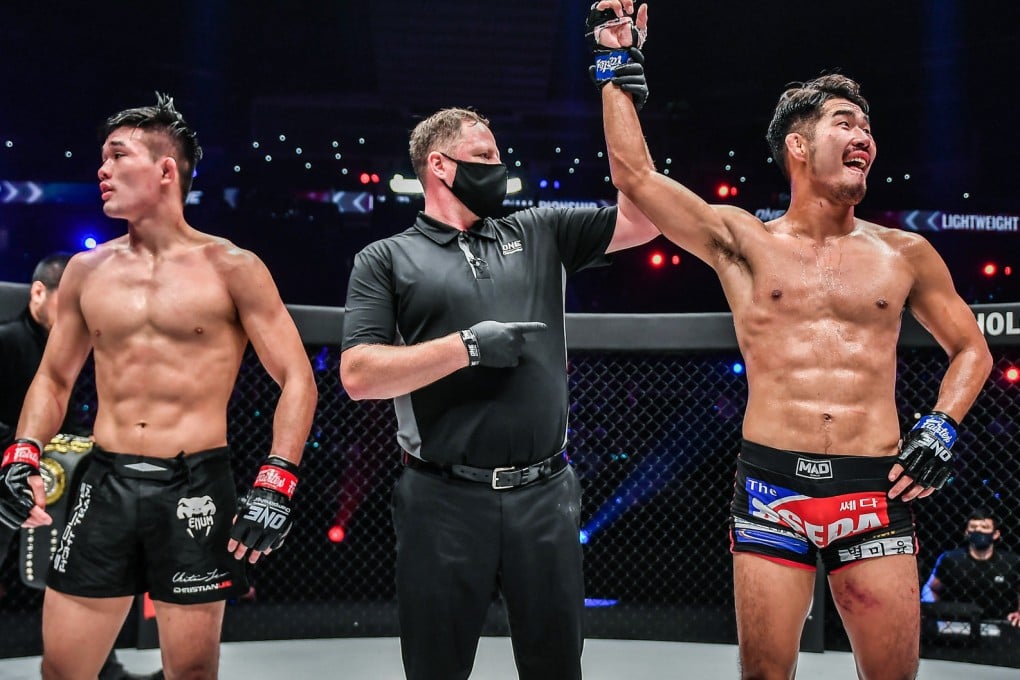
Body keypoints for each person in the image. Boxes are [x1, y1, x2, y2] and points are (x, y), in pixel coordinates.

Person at [593, 2, 993, 678]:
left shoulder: (906, 254)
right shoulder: (742, 241)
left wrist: (942, 427)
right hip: (771, 491)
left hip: (875, 490)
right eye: (846, 122)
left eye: (867, 125)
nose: (864, 133)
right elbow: (636, 177)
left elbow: (973, 348)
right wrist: (614, 60)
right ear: (799, 147)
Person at [0, 94, 317, 680]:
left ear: (166, 170)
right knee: (62, 671)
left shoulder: (232, 267)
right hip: (106, 481)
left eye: (118, 156)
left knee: (191, 675)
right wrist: (23, 452)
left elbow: (297, 377)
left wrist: (277, 481)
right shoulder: (85, 271)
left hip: (196, 484)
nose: (102, 170)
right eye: (102, 158)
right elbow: (54, 376)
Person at [339, 104, 657, 679]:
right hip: (441, 498)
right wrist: (467, 346)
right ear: (438, 164)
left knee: (557, 665)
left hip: (545, 492)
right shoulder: (386, 258)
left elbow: (645, 218)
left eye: (499, 155)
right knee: (437, 666)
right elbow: (359, 373)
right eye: (483, 156)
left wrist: (618, 81)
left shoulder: (539, 229)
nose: (499, 167)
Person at [0, 254, 160, 680]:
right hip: (13, 474)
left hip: (54, 480)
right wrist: (20, 454)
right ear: (40, 293)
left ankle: (101, 666)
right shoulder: (8, 341)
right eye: (66, 301)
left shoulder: (67, 344)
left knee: (74, 569)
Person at [922, 509, 1020, 626]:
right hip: (957, 622)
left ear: (995, 534)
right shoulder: (951, 559)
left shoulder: (1011, 561)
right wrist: (935, 613)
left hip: (1001, 623)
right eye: (973, 527)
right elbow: (931, 588)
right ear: (967, 532)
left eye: (984, 527)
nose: (978, 530)